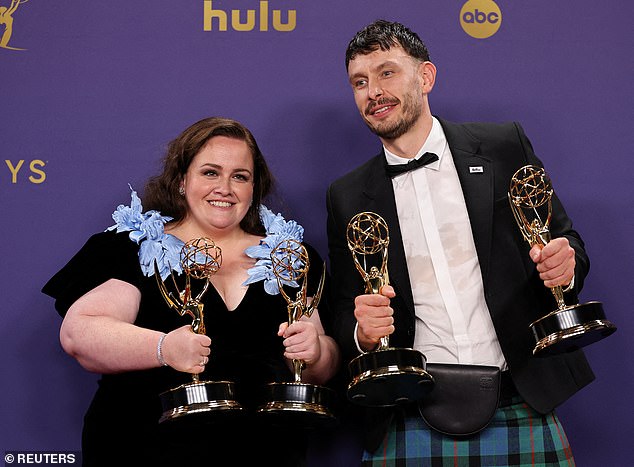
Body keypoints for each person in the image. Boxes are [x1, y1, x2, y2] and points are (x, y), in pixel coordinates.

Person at [326, 19, 595, 465]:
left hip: (520, 398)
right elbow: (343, 309)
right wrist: (362, 333)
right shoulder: (346, 195)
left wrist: (566, 266)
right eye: (360, 81)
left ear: (426, 76)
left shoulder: (503, 145)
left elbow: (565, 242)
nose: (373, 91)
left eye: (387, 72)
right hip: (408, 410)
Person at [43, 116, 340, 466]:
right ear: (182, 180)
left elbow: (324, 363)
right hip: (143, 449)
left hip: (265, 451)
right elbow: (81, 333)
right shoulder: (131, 247)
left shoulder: (292, 255)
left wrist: (316, 352)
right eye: (210, 172)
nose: (225, 188)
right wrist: (163, 348)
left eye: (239, 176)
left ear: (254, 187)